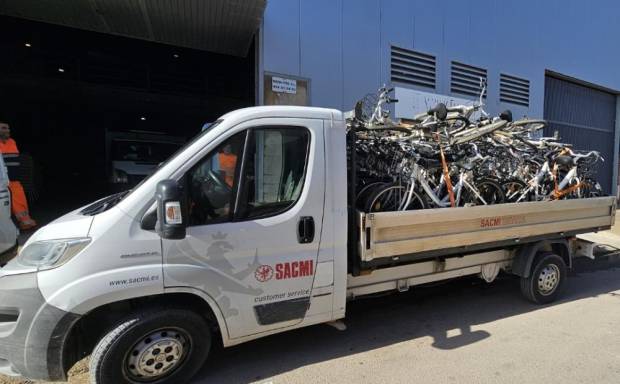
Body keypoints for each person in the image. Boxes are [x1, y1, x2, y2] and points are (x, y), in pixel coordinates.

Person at [0, 121, 37, 230]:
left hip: (15, 180)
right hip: (3, 180)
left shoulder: (12, 142)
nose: (8, 130)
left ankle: (25, 223)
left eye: (8, 128)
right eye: (4, 128)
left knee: (20, 203)